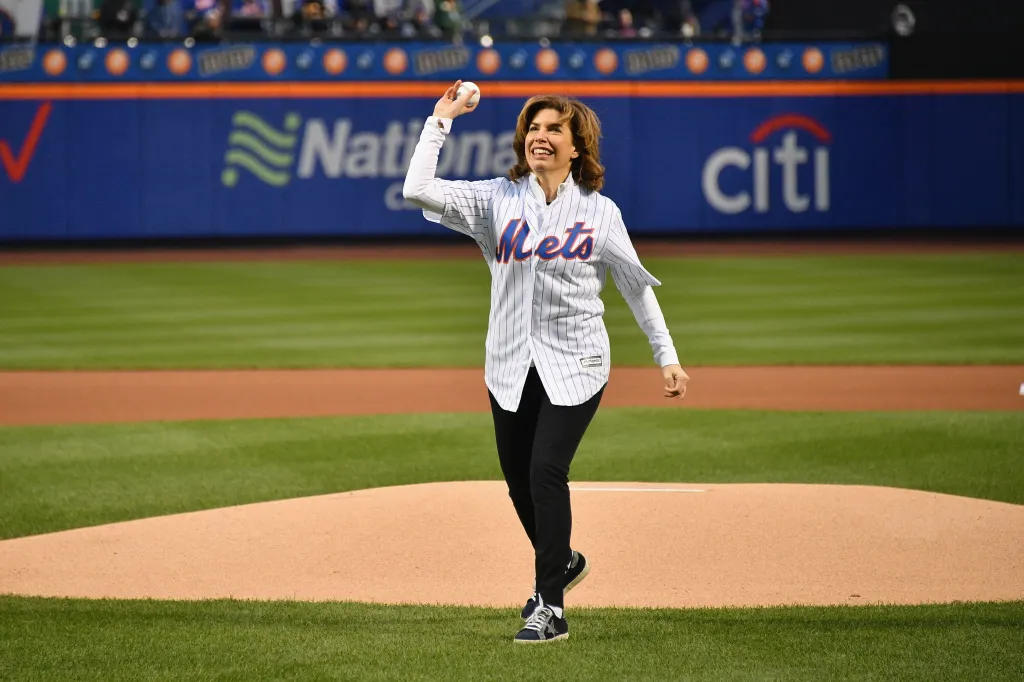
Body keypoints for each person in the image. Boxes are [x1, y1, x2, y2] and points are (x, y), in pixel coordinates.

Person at [403, 81, 688, 644]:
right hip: (509, 361)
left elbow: (635, 285)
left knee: (545, 471)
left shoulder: (601, 213)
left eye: (554, 128)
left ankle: (550, 607)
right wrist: (441, 120)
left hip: (577, 361)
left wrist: (667, 356)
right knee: (517, 484)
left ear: (576, 145)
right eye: (534, 128)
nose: (540, 136)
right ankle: (562, 560)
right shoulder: (495, 200)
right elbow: (416, 189)